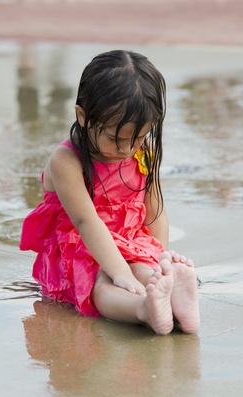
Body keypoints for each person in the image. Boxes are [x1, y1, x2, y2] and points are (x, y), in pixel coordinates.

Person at [20, 49, 200, 335]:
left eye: (139, 137)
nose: (128, 149)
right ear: (82, 116)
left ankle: (171, 296)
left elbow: (155, 212)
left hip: (131, 242)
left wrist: (158, 263)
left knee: (144, 272)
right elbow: (85, 222)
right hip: (83, 249)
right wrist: (120, 273)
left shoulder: (142, 152)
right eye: (116, 139)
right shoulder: (66, 161)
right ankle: (145, 310)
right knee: (102, 284)